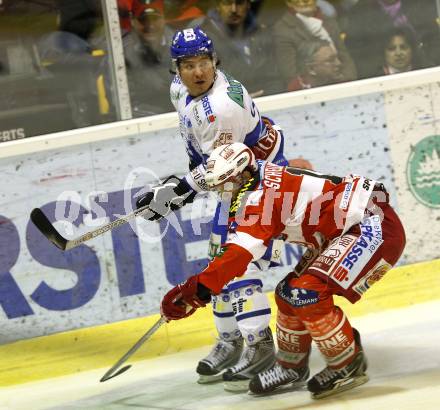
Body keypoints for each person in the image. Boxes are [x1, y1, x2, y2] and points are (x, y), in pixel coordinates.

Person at [160, 142, 406, 399]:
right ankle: (291, 366)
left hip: (372, 225)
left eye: (226, 184)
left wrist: (194, 292)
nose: (222, 191)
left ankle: (348, 364)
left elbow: (238, 255)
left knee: (306, 293)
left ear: (244, 175)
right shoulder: (255, 178)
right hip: (341, 230)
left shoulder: (260, 198)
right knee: (287, 293)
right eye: (218, 186)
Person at [135, 27, 296, 392]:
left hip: (261, 185)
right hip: (234, 182)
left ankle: (259, 346)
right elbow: (210, 167)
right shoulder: (180, 89)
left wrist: (177, 191)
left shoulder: (221, 108)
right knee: (216, 266)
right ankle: (231, 340)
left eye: (204, 62)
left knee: (235, 266)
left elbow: (223, 166)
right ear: (176, 69)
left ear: (215, 61)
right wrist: (175, 190)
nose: (198, 72)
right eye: (188, 65)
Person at [200, 0, 283, 97]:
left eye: (239, 3)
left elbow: (276, 78)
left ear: (248, 5)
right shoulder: (202, 40)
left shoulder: (262, 32)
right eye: (227, 3)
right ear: (218, 6)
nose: (234, 10)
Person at [344, 0, 440, 79]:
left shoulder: (419, 3)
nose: (398, 53)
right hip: (380, 76)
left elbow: (434, 38)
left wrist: (429, 65)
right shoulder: (360, 11)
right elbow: (356, 52)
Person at [272, 0, 356, 89]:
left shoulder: (329, 21)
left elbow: (344, 57)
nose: (304, 1)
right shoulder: (282, 29)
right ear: (288, 2)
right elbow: (289, 74)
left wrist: (348, 82)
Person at [122, 0, 175, 116]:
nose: (150, 25)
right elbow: (127, 105)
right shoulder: (123, 53)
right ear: (133, 21)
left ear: (164, 19)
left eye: (155, 19)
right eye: (143, 20)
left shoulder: (181, 45)